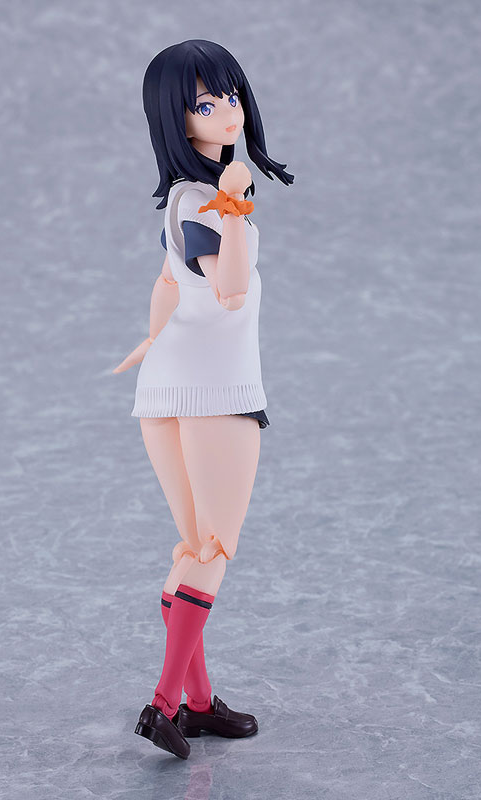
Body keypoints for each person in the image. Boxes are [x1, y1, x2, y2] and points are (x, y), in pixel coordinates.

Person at [113, 39, 293, 759]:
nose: (227, 112)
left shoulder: (184, 199)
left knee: (193, 547)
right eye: (205, 103)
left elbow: (168, 282)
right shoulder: (207, 201)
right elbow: (230, 290)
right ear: (176, 118)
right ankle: (162, 704)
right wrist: (237, 206)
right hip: (215, 392)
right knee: (214, 548)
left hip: (164, 389)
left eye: (231, 95)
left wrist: (149, 342)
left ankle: (195, 703)